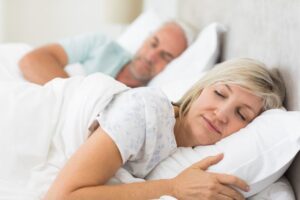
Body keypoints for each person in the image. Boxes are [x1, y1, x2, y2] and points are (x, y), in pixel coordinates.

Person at [0, 58, 285, 200]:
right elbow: (62, 196)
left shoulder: (181, 147)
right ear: (200, 90)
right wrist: (173, 187)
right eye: (220, 94)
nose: (221, 114)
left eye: (241, 114)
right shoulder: (147, 113)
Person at [18, 21, 190, 87]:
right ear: (145, 40)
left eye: (165, 56)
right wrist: (78, 97)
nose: (151, 56)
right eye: (153, 44)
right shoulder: (101, 44)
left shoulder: (142, 99)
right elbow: (32, 60)